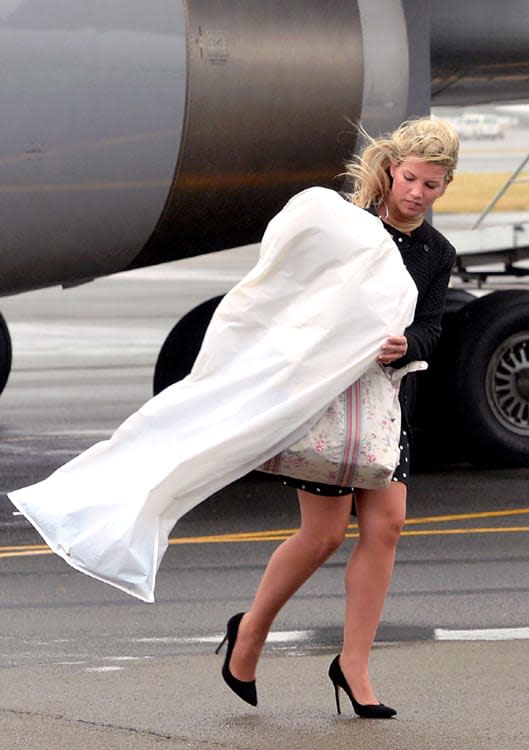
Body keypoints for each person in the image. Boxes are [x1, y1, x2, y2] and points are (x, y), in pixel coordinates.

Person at [215, 117, 459, 717]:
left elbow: (431, 323)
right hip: (329, 399)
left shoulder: (436, 252)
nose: (417, 194)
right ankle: (249, 632)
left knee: (388, 525)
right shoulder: (349, 230)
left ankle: (354, 665)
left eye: (432, 185)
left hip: (387, 404)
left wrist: (412, 345)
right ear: (390, 169)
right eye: (409, 179)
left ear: (445, 185)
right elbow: (295, 296)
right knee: (323, 534)